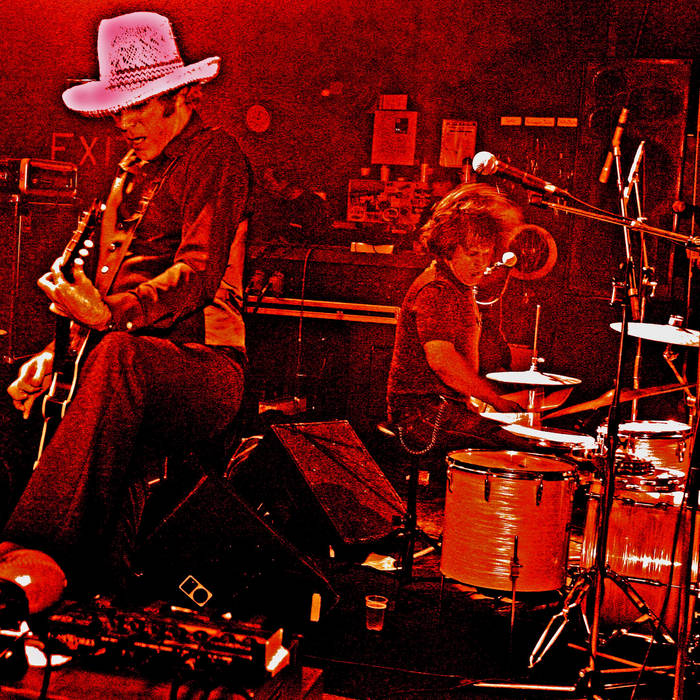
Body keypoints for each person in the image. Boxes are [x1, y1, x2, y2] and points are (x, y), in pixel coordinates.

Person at [0, 11, 252, 614]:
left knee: (118, 357)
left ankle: (29, 556)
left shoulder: (215, 155)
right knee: (41, 389)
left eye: (138, 107)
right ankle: (86, 596)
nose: (125, 122)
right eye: (119, 109)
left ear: (180, 98)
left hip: (206, 367)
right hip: (126, 358)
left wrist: (106, 317)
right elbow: (104, 294)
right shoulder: (127, 177)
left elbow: (196, 274)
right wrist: (57, 355)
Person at [386, 183, 525, 457]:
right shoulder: (436, 290)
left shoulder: (458, 285)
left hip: (441, 409)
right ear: (449, 248)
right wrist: (494, 399)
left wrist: (469, 402)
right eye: (472, 254)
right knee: (518, 446)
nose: (481, 263)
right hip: (421, 417)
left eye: (486, 253)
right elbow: (443, 362)